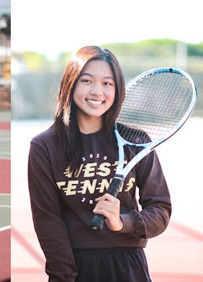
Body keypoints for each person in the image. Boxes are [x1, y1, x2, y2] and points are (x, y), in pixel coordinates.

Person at [27, 46, 171, 282]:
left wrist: (122, 222)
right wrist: (63, 276)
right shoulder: (45, 146)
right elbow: (48, 221)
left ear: (117, 89)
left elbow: (160, 210)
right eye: (87, 81)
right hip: (74, 268)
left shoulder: (135, 141)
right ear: (71, 83)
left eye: (107, 83)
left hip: (128, 265)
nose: (97, 91)